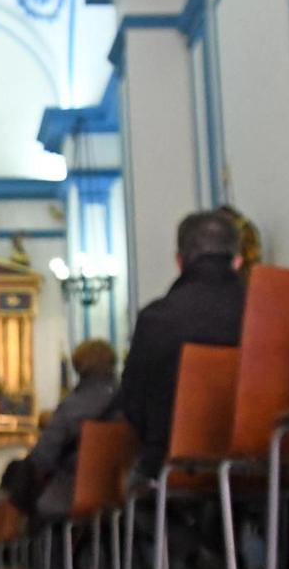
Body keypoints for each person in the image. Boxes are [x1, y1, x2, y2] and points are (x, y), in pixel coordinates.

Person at [118, 210, 247, 478]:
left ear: (179, 261)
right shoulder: (270, 312)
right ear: (236, 261)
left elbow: (133, 406)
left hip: (175, 466)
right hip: (266, 459)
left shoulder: (156, 319)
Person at [24, 340, 122, 522]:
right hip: (121, 489)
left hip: (73, 491)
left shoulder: (72, 407)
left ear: (79, 366)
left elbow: (43, 457)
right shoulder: (127, 401)